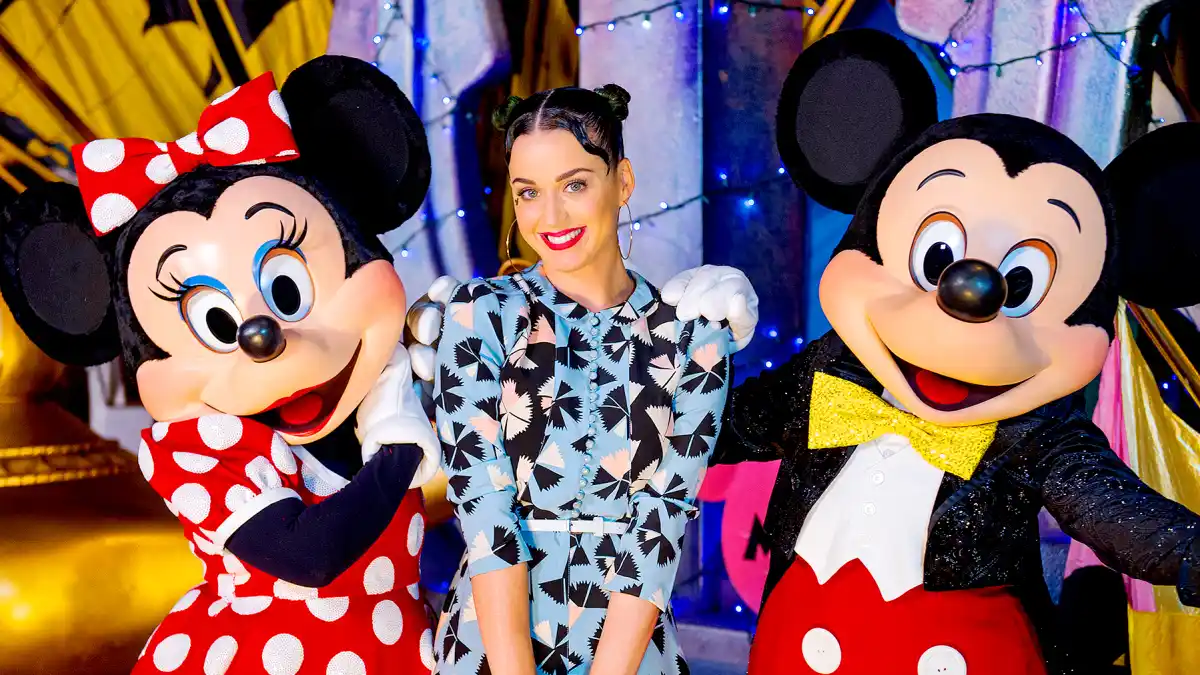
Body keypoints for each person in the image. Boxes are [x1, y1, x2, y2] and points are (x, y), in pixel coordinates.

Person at [0, 58, 441, 673]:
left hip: (399, 647)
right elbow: (307, 555)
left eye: (286, 289)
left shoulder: (383, 383)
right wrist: (399, 451)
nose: (264, 335)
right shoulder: (200, 451)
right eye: (218, 324)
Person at [429, 85, 749, 675]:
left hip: (631, 644)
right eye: (529, 193)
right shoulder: (480, 315)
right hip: (492, 641)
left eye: (574, 184)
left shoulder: (694, 335)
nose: (550, 217)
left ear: (622, 182)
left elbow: (661, 524)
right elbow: (484, 509)